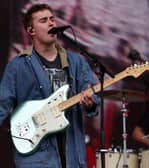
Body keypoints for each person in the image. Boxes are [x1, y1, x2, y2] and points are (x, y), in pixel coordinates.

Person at [0, 3, 99, 168]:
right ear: (31, 30)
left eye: (52, 19)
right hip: (36, 157)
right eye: (44, 20)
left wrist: (90, 103)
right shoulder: (17, 66)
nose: (52, 23)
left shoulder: (76, 62)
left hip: (72, 155)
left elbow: (92, 97)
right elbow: (2, 104)